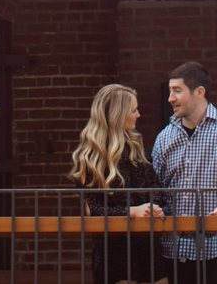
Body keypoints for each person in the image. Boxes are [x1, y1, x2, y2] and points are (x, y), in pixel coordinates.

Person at [149, 61, 217, 284]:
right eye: (170, 91)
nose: (170, 98)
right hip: (170, 249)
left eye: (177, 91)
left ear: (199, 92)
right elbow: (155, 189)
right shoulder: (164, 137)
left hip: (213, 247)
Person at [69, 83, 166, 284]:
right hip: (114, 250)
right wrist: (132, 211)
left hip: (147, 246)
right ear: (117, 114)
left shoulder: (137, 149)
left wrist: (153, 207)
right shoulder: (90, 157)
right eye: (133, 110)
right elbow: (93, 211)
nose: (138, 115)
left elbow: (155, 189)